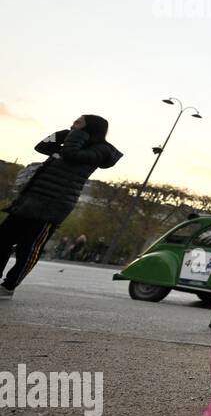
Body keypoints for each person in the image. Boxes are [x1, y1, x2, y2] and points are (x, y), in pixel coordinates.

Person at [0, 115, 122, 299]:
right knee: (3, 239)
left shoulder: (101, 150)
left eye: (78, 123)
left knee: (29, 248)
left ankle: (9, 286)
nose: (72, 125)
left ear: (91, 128)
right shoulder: (71, 138)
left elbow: (72, 155)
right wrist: (65, 133)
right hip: (29, 200)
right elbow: (41, 146)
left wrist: (75, 136)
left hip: (52, 206)